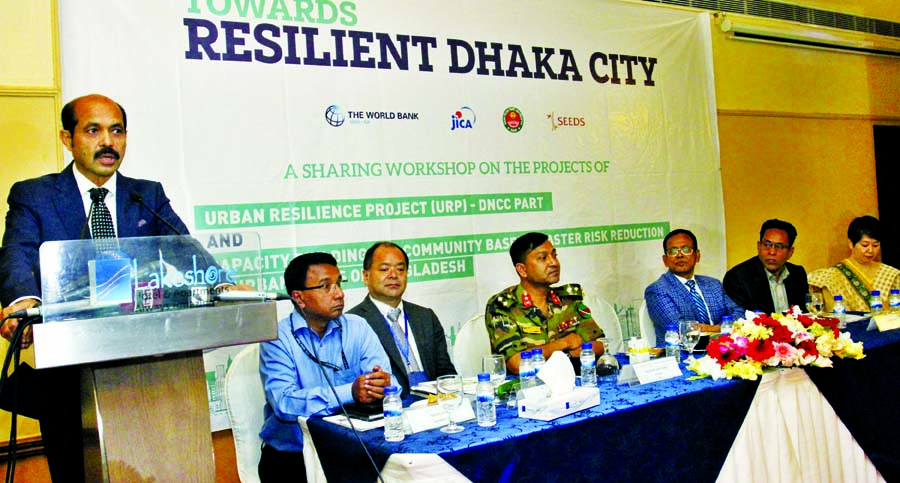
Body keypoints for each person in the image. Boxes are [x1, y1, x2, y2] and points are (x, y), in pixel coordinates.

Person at [0, 94, 193, 482]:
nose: (108, 141)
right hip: (69, 365)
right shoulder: (35, 194)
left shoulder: (146, 194)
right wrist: (22, 302)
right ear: (67, 139)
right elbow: (17, 251)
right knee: (76, 468)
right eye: (93, 130)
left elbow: (183, 250)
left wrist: (217, 282)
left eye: (116, 130)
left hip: (143, 363)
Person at [258, 252, 391, 482]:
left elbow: (392, 386)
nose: (339, 294)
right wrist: (349, 392)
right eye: (326, 287)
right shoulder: (276, 338)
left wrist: (380, 386)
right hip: (292, 457)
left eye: (339, 283)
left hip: (353, 450)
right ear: (299, 297)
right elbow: (284, 404)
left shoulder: (358, 327)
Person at [485, 232, 604, 374]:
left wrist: (565, 354)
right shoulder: (503, 306)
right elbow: (517, 364)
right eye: (543, 258)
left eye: (554, 255)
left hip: (573, 382)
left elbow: (600, 345)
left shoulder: (567, 300)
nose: (554, 263)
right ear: (522, 270)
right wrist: (565, 343)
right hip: (526, 389)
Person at [348, 242, 456, 397]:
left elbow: (445, 372)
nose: (393, 275)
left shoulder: (425, 317)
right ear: (366, 276)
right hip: (390, 407)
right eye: (384, 269)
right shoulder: (354, 322)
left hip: (434, 405)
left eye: (400, 269)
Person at [644, 229, 745, 344]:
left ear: (697, 256)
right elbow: (682, 331)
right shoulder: (657, 290)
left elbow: (740, 315)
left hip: (723, 351)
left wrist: (711, 329)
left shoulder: (713, 284)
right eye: (673, 251)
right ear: (665, 260)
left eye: (686, 249)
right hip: (683, 356)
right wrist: (724, 329)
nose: (680, 255)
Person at [808, 215, 900, 312]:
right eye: (865, 245)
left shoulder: (891, 274)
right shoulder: (832, 276)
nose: (870, 250)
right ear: (851, 244)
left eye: (875, 245)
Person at [723, 219, 808, 313]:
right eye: (767, 245)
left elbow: (804, 313)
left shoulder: (798, 274)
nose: (772, 252)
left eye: (779, 246)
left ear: (790, 252)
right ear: (759, 246)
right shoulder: (738, 277)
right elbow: (738, 318)